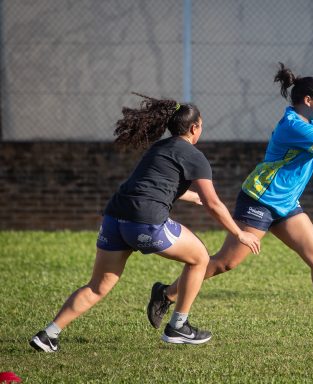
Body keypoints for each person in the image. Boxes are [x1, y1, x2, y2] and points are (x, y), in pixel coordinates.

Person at [147, 63, 313, 339]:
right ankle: (166, 294)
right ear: (307, 101)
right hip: (260, 200)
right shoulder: (293, 125)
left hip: (287, 204)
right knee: (224, 263)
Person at [29, 93, 261, 352]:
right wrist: (240, 234)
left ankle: (49, 334)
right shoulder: (195, 156)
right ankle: (178, 327)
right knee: (200, 258)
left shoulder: (159, 148)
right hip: (145, 222)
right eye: (201, 126)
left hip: (114, 218)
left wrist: (192, 196)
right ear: (195, 128)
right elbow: (214, 204)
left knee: (97, 286)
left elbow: (154, 183)